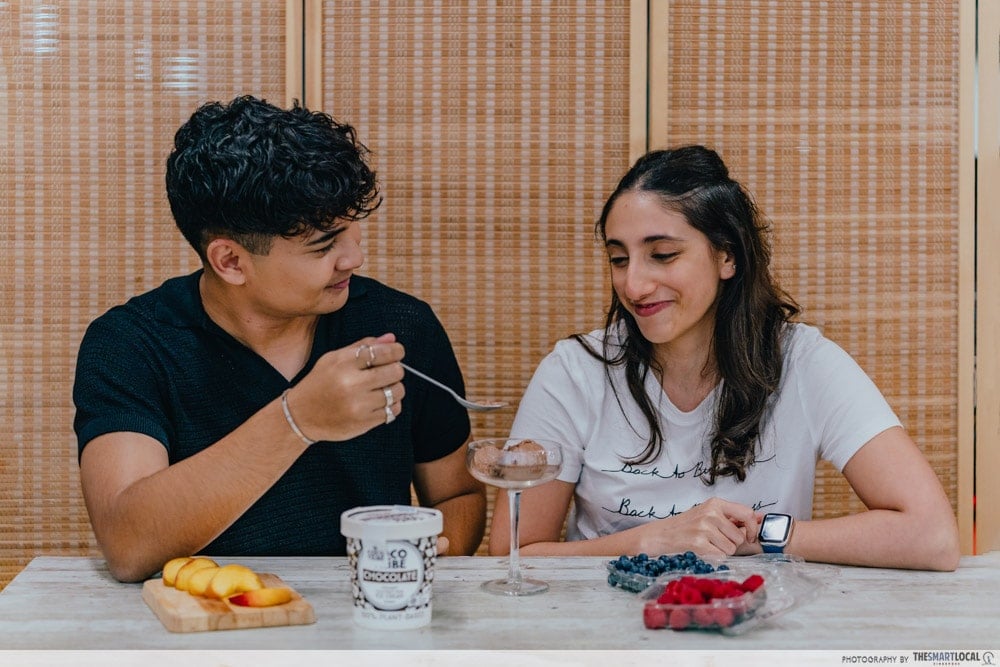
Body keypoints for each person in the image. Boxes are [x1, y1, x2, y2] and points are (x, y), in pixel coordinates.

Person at [73, 95, 486, 582]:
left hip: (370, 611)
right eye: (324, 245)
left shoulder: (400, 325)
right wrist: (298, 419)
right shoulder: (132, 344)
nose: (353, 259)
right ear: (231, 261)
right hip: (207, 612)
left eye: (352, 232)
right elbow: (128, 544)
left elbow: (457, 496)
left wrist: (435, 553)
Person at [491, 145, 960, 571]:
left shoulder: (804, 363)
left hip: (756, 621)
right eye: (619, 259)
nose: (633, 285)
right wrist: (652, 541)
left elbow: (933, 536)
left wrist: (758, 536)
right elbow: (512, 552)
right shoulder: (575, 371)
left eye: (662, 254)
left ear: (726, 257)